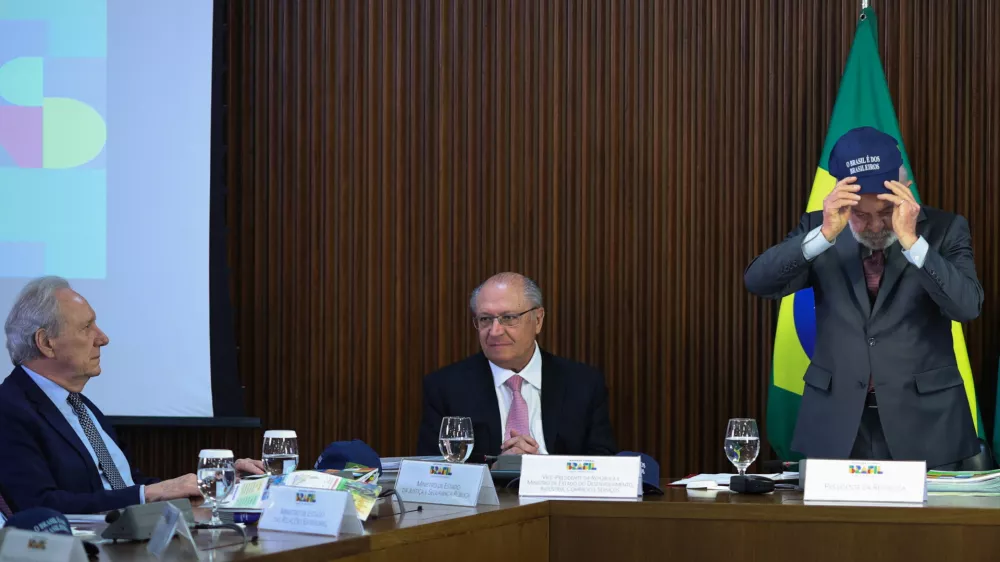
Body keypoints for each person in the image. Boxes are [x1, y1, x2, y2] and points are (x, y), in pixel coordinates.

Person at [744, 126, 984, 469]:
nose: (875, 226)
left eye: (885, 213)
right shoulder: (820, 226)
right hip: (837, 424)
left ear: (905, 188)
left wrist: (912, 241)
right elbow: (758, 282)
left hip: (926, 424)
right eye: (862, 215)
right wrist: (825, 234)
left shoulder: (946, 229)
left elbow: (967, 306)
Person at [0, 276, 265, 514]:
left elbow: (128, 485)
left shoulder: (81, 407)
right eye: (87, 327)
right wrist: (150, 494)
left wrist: (217, 483)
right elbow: (38, 507)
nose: (103, 338)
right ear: (46, 343)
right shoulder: (9, 409)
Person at [417, 272, 617, 458]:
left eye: (509, 318)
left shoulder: (583, 383)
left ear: (538, 320)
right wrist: (496, 470)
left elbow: (602, 463)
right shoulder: (446, 387)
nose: (495, 331)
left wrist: (542, 469)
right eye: (486, 319)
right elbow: (434, 470)